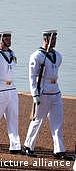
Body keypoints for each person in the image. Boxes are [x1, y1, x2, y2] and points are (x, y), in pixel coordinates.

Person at [23, 30, 70, 159]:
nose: (54, 41)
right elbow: (32, 76)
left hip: (55, 91)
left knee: (57, 122)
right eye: (51, 39)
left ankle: (59, 150)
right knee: (37, 120)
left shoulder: (58, 55)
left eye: (55, 38)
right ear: (45, 39)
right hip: (43, 91)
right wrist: (35, 94)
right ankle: (28, 146)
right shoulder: (37, 56)